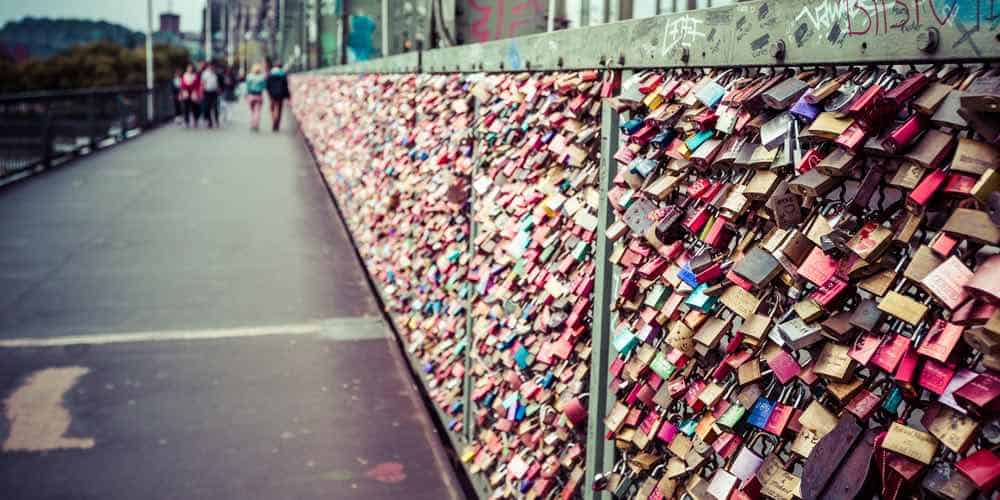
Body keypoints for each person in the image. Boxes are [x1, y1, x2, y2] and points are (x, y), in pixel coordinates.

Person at [265, 62, 290, 132]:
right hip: (281, 94)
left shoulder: (270, 74)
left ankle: (274, 120)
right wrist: (288, 96)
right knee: (279, 109)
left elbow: (267, 86)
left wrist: (269, 94)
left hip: (272, 95)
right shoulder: (283, 74)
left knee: (272, 108)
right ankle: (277, 123)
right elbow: (285, 86)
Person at [245, 63, 267, 131]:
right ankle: (256, 125)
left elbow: (247, 87)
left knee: (252, 111)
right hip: (259, 95)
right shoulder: (262, 77)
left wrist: (246, 94)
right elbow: (264, 87)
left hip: (251, 95)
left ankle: (252, 124)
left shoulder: (249, 76)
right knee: (257, 111)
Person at [201, 61, 220, 128]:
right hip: (207, 92)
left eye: (213, 66)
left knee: (215, 107)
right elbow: (203, 83)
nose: (212, 67)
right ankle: (210, 122)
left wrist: (218, 89)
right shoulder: (205, 73)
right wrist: (202, 91)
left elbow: (218, 82)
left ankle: (217, 121)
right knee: (207, 107)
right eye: (211, 66)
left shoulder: (216, 73)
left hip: (214, 92)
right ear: (209, 66)